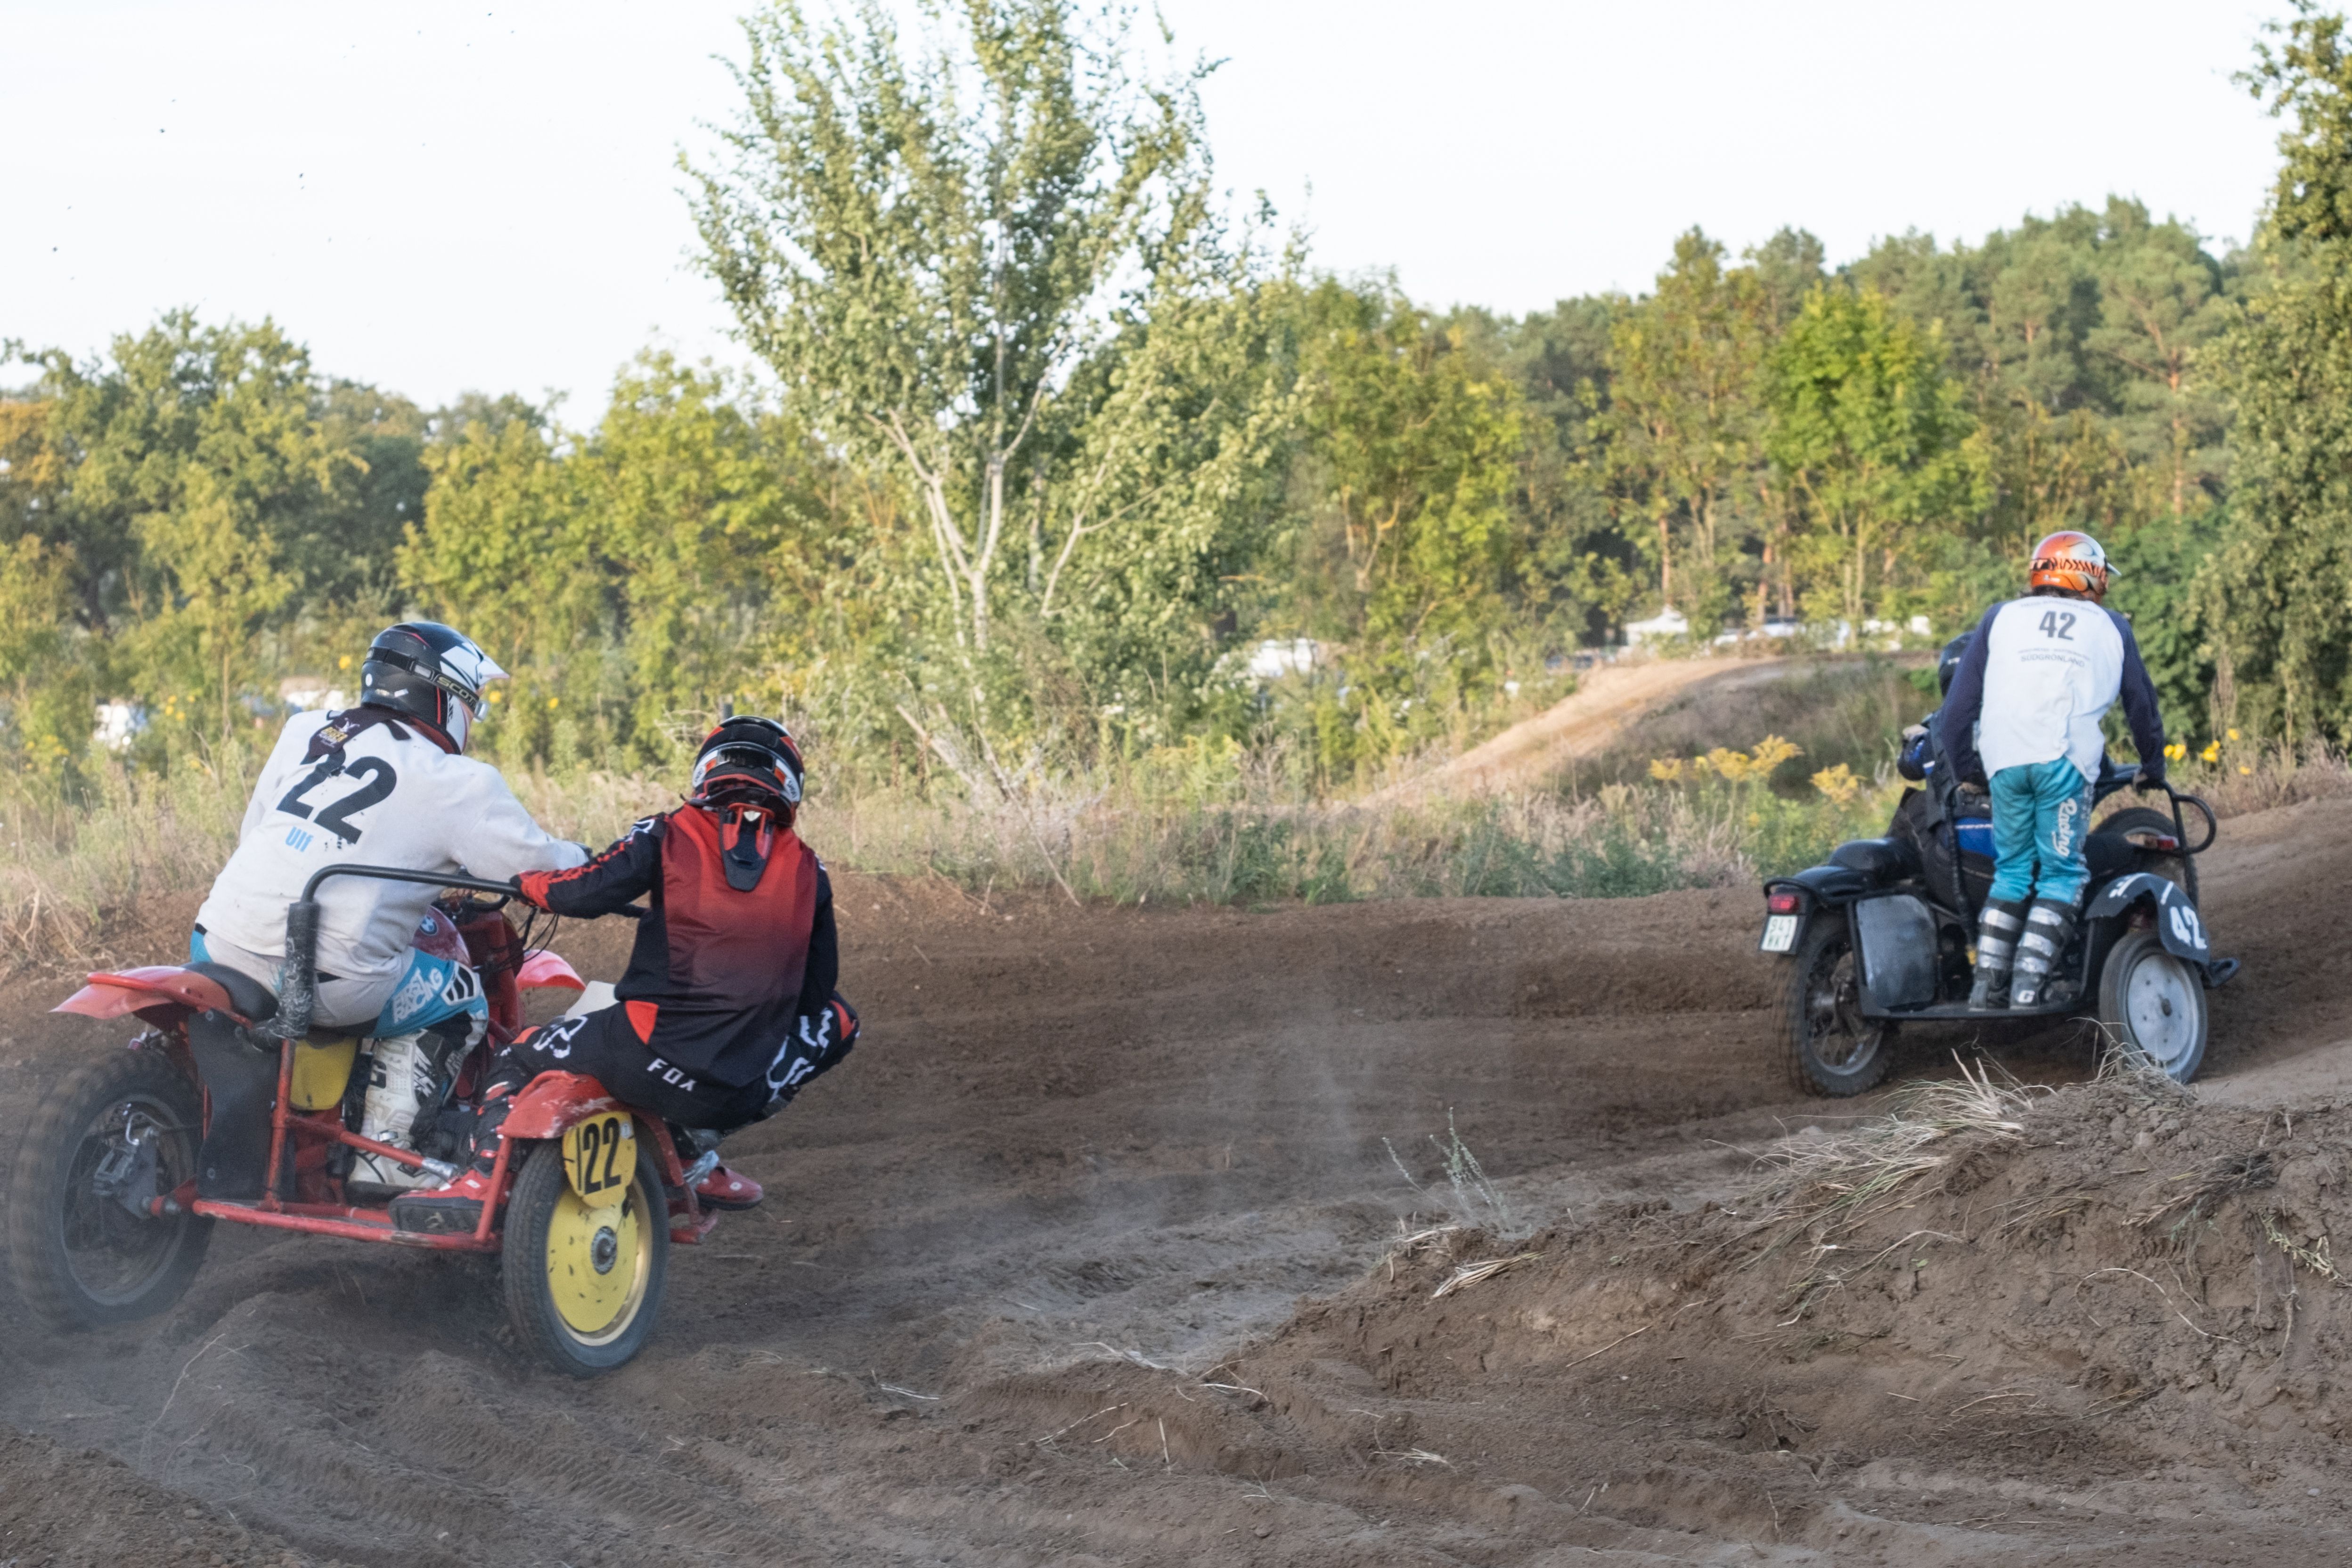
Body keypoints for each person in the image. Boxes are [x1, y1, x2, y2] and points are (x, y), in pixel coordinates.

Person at [391, 715, 858, 1234]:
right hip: (736, 1089)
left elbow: (585, 891)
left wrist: (528, 884)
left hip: (644, 1053)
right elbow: (816, 994)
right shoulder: (811, 870)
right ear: (790, 785)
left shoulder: (671, 830)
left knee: (519, 1053)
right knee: (843, 1020)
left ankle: (482, 1181)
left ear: (707, 770)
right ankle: (692, 1144)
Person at [192, 623, 588, 1187]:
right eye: (472, 704)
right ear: (445, 698)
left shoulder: (307, 728)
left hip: (216, 940)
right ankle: (386, 1155)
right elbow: (541, 864)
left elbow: (253, 830)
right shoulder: (456, 781)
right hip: (325, 980)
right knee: (461, 996)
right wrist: (595, 860)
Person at [1932, 531, 2166, 1010]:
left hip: (2003, 760)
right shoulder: (2110, 626)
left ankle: (1986, 988)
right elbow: (2140, 704)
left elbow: (1956, 712)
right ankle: (2028, 986)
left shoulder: (1999, 617)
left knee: (2012, 873)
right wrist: (2153, 764)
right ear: (2088, 577)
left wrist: (1969, 770)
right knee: (2062, 874)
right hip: (2062, 759)